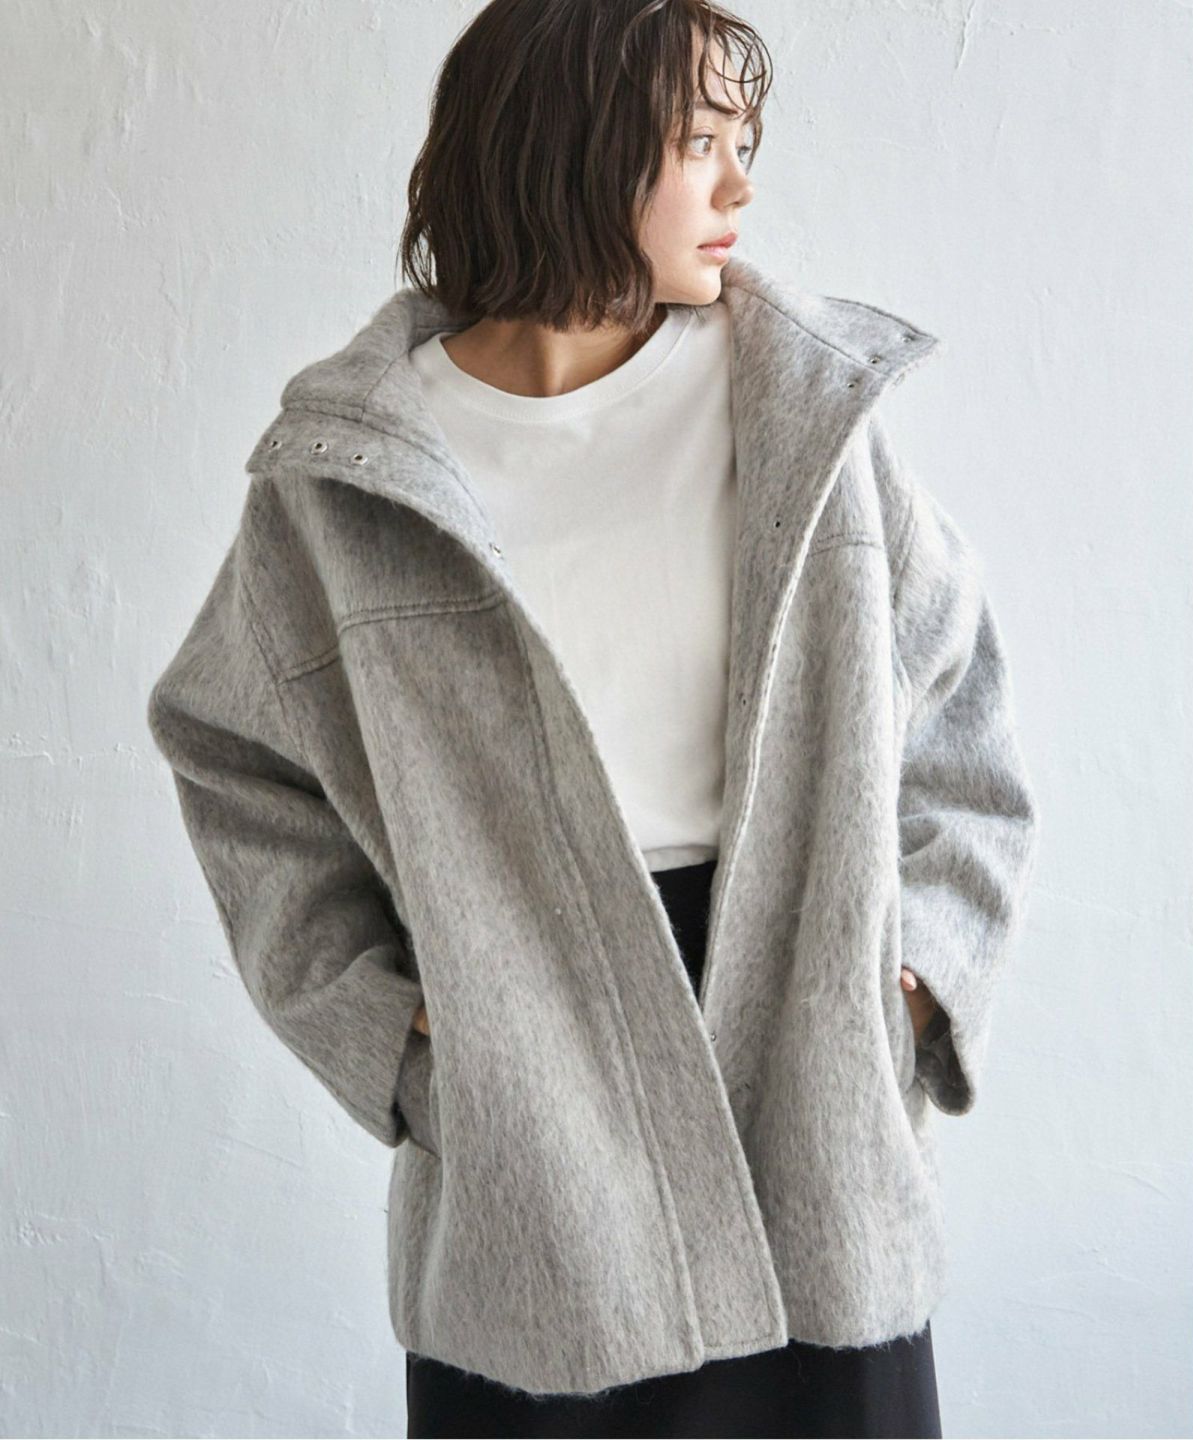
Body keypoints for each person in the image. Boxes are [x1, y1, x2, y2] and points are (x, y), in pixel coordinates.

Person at [146, 2, 1039, 1436]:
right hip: (532, 1140)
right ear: (568, 145)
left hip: (809, 1090)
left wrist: (912, 987)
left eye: (745, 141)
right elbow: (230, 752)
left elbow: (965, 733)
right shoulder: (355, 475)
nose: (741, 184)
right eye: (699, 142)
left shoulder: (803, 416)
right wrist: (402, 1038)